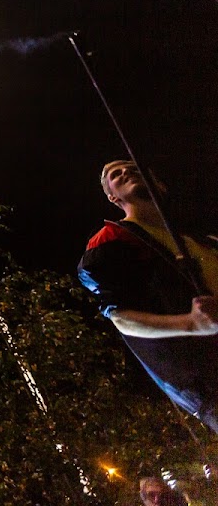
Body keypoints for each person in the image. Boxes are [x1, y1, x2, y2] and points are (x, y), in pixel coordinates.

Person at [78, 160, 218, 432]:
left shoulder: (202, 238)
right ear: (112, 197)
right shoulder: (113, 240)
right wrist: (192, 323)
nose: (127, 171)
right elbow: (120, 317)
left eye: (134, 167)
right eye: (116, 174)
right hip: (207, 377)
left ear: (160, 184)